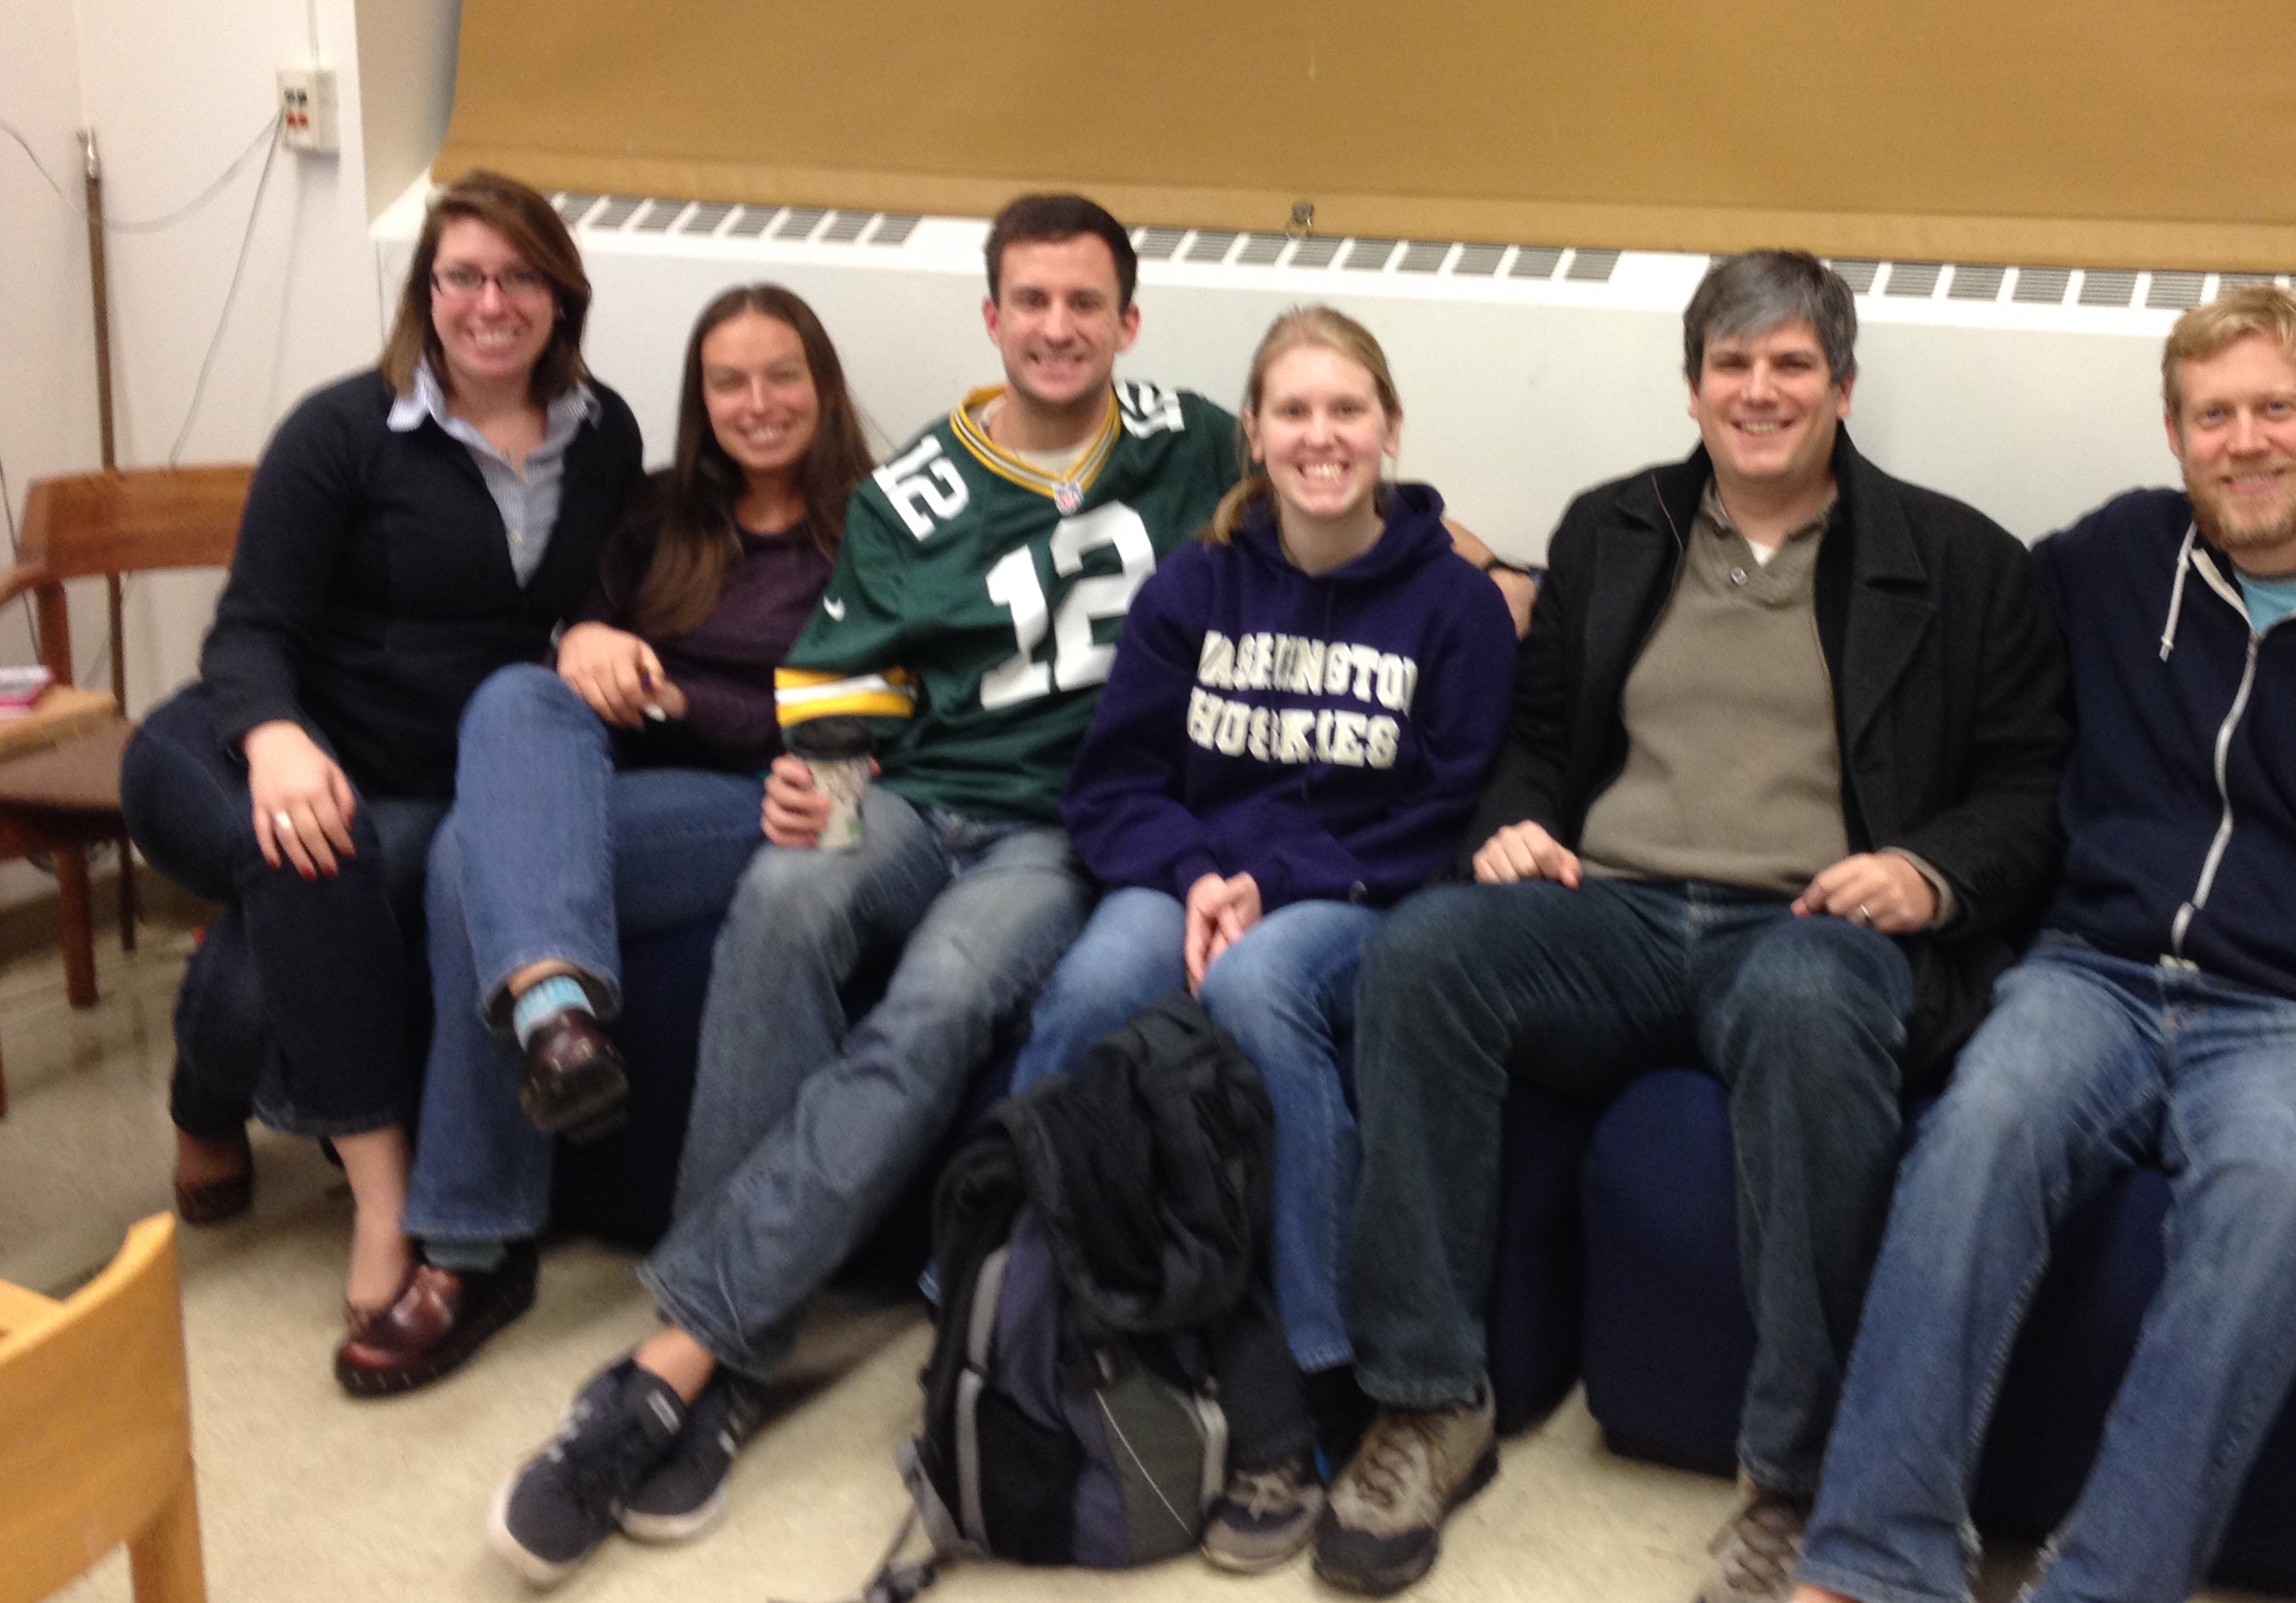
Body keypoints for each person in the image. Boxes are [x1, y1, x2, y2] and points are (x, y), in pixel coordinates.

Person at [485, 192, 1244, 1584]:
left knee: (940, 1001)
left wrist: (1487, 567)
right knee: (779, 905)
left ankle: (689, 1365)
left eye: (1085, 301)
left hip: (1053, 832)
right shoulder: (917, 489)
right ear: (992, 317)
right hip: (905, 799)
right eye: (1031, 300)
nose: (1057, 326)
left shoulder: (1193, 441)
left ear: (1127, 321)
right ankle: (726, 1351)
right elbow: (845, 690)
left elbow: (1332, 500)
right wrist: (810, 802)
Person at [1788, 285, 2296, 1603]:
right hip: (2091, 975)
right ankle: (1871, 1562)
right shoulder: (2118, 558)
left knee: (2271, 1195)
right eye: (2211, 416)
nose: (2243, 441)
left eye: (2274, 408)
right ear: (2173, 436)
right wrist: (1508, 576)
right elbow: (1949, 602)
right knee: (1976, 1134)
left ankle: (2107, 1585)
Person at [1310, 249, 2070, 1600]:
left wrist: (1927, 873)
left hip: (1809, 929)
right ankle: (1426, 1401)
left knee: (1806, 997)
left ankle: (1797, 1480)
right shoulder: (1612, 530)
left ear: (1842, 386)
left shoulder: (1959, 562)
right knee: (1419, 954)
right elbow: (1538, 737)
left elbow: (2027, 786)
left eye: (1790, 365)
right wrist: (1515, 822)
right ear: (1691, 386)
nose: (1758, 391)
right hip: (1608, 913)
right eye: (1731, 364)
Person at [1006, 305, 1519, 1570]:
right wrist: (1198, 875)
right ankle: (1013, 1314)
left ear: (1389, 428)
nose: (1318, 435)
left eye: (1345, 409)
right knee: (1092, 987)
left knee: (1254, 989)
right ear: (1252, 431)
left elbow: (1447, 809)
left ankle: (1314, 1380)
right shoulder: (1195, 584)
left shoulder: (1454, 603)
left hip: (1359, 891)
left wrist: (1269, 883)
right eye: (1292, 411)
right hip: (1192, 875)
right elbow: (1113, 785)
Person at [118, 171, 640, 1369]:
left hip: (417, 778)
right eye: (464, 276)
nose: (491, 303)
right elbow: (248, 632)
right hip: (236, 741)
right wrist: (277, 739)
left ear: (562, 298)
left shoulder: (603, 434)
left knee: (285, 932)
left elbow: (580, 599)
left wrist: (589, 632)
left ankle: (205, 1096)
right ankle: (381, 1197)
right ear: (427, 291)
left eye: (521, 277)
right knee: (308, 848)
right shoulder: (343, 431)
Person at [328, 285, 877, 1397]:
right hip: (623, 789)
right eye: (728, 382)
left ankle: (470, 1247)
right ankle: (555, 1019)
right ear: (700, 401)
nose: (757, 403)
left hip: (763, 804)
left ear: (822, 388)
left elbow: (887, 702)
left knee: (467, 861)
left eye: (781, 376)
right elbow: (572, 643)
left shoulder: (877, 525)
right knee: (513, 704)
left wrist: (679, 701)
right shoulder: (660, 510)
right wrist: (583, 643)